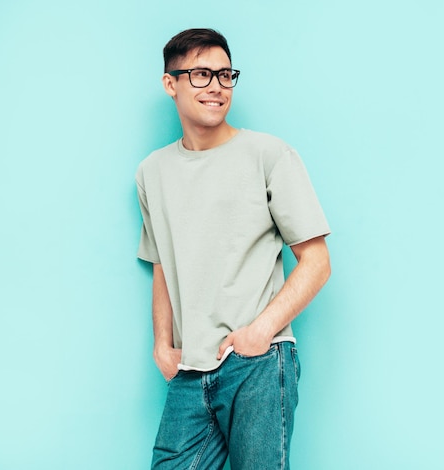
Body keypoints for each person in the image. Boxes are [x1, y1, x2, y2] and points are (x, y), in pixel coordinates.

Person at [135, 28, 331, 470]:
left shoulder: (269, 154)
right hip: (189, 369)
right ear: (172, 84)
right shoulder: (152, 171)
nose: (217, 87)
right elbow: (162, 261)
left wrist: (260, 333)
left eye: (225, 75)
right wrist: (162, 345)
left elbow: (317, 261)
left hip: (258, 364)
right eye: (202, 74)